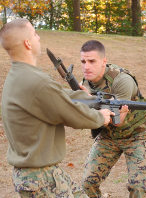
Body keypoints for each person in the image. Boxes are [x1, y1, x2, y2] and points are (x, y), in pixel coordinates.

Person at [0, 19, 117, 198]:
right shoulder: (35, 81)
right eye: (35, 34)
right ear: (27, 43)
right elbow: (71, 113)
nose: (38, 37)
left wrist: (90, 98)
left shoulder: (20, 76)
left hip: (41, 173)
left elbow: (59, 95)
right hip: (40, 179)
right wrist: (101, 117)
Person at [80, 40, 146, 198]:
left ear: (104, 61)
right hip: (108, 137)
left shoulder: (122, 80)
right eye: (83, 61)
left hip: (135, 135)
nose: (86, 66)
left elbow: (117, 121)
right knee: (88, 183)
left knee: (138, 187)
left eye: (92, 61)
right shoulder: (84, 84)